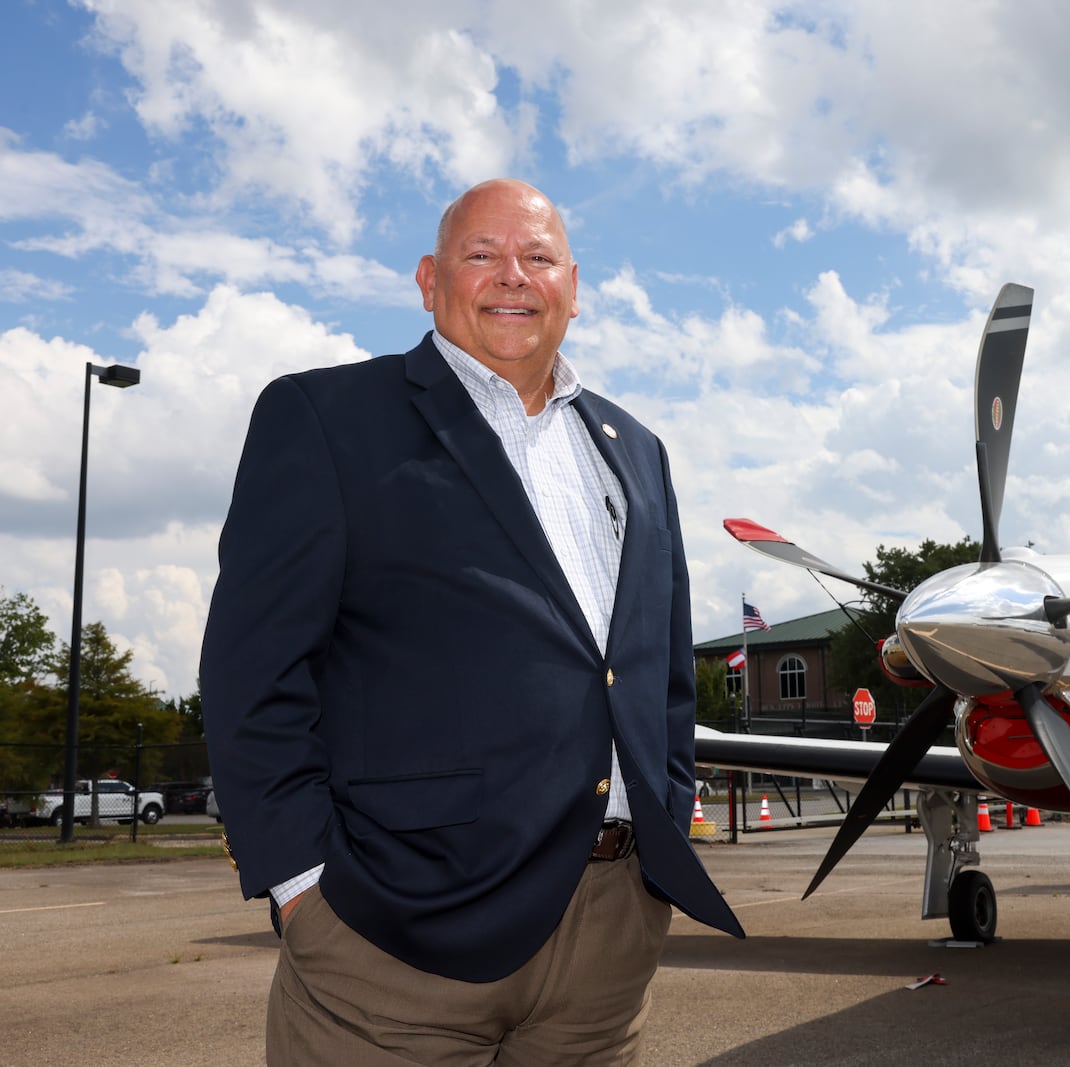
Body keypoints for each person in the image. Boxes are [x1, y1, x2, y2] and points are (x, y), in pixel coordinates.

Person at [201, 178, 743, 1065]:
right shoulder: (326, 418)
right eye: (481, 254)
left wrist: (663, 834)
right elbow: (251, 673)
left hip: (608, 938)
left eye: (537, 257)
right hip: (394, 938)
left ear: (573, 283)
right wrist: (303, 887)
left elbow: (662, 677)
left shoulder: (636, 451)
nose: (512, 277)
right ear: (428, 278)